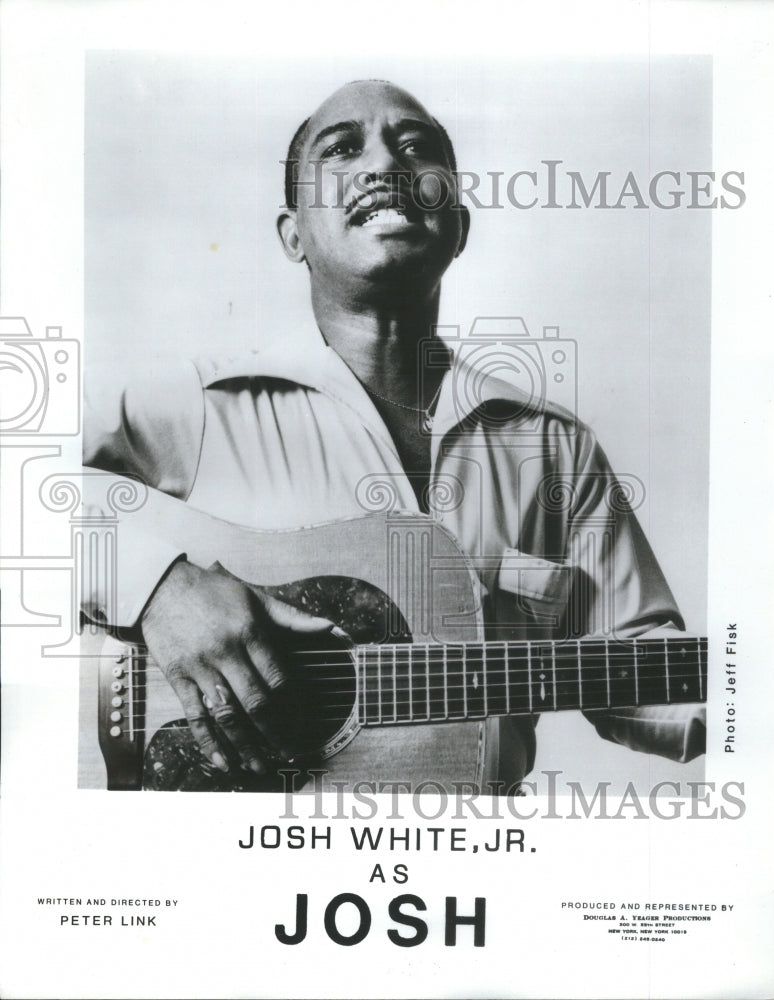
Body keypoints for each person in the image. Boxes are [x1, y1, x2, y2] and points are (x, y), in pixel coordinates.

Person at [83, 79, 705, 792]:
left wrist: (748, 680)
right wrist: (157, 586)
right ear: (293, 235)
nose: (384, 167)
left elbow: (657, 683)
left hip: (474, 868)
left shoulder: (556, 450)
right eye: (343, 148)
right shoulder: (194, 406)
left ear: (459, 227)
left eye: (416, 149)